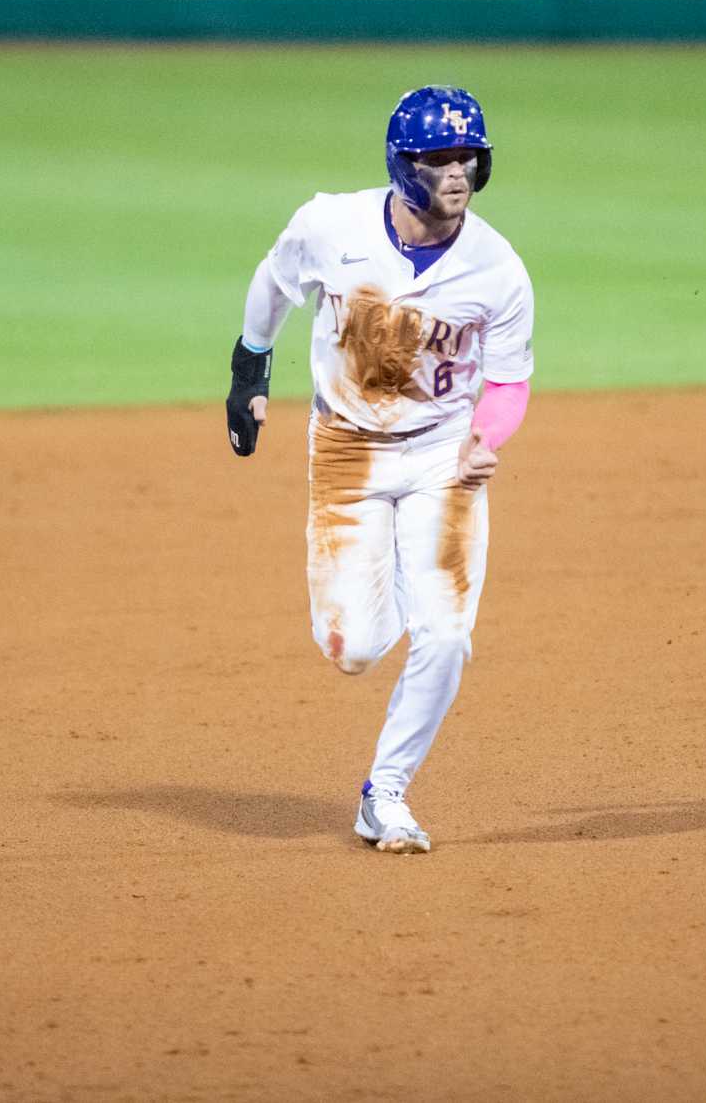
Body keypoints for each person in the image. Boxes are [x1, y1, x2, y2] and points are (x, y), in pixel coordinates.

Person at [226, 86, 535, 854]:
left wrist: (486, 436)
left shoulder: (498, 270)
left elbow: (507, 381)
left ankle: (385, 793)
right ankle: (398, 582)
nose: (457, 170)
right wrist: (248, 370)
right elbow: (273, 284)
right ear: (404, 165)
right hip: (347, 449)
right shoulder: (331, 224)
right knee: (354, 648)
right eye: (439, 157)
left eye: (468, 155)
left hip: (443, 455)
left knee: (446, 633)